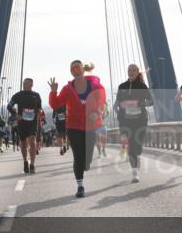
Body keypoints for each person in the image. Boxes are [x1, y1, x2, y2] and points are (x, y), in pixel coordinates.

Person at [49, 60, 106, 198]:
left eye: (78, 67)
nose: (76, 70)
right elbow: (56, 104)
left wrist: (97, 112)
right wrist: (53, 92)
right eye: (73, 68)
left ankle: (85, 165)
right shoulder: (67, 89)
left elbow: (101, 100)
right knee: (77, 157)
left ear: (82, 70)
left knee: (87, 161)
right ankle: (80, 186)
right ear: (71, 72)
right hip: (73, 126)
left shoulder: (94, 85)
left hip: (90, 126)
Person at [114, 64, 155, 184]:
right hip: (126, 121)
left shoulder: (142, 86)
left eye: (133, 70)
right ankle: (135, 172)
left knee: (138, 145)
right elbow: (116, 104)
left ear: (137, 72)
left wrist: (140, 104)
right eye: (129, 70)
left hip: (140, 120)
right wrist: (119, 113)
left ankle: (137, 156)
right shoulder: (122, 86)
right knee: (131, 145)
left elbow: (151, 101)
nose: (131, 72)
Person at [8, 78, 44, 174]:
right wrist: (15, 115)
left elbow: (39, 107)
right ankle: (25, 161)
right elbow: (9, 106)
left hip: (32, 122)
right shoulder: (18, 95)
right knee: (23, 144)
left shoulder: (36, 95)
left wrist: (39, 111)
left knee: (32, 141)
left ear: (32, 84)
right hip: (22, 123)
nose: (24, 85)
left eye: (26, 84)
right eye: (23, 83)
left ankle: (32, 164)